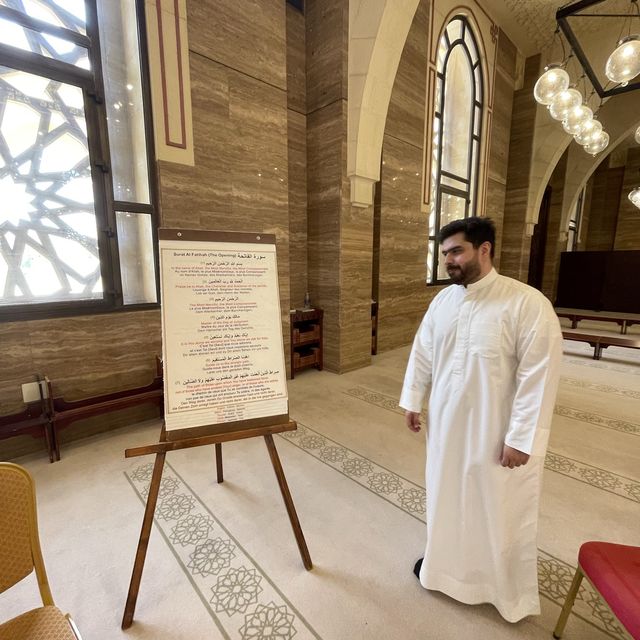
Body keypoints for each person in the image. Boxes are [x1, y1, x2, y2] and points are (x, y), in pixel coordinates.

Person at [400, 216, 563, 623]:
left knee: (496, 505)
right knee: (445, 495)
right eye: (444, 255)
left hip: (496, 430)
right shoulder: (443, 301)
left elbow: (538, 376)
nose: (448, 262)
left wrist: (521, 437)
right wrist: (413, 399)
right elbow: (423, 352)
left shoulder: (527, 303)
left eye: (456, 251)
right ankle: (442, 568)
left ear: (484, 249)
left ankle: (498, 589)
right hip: (447, 425)